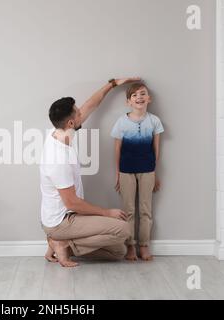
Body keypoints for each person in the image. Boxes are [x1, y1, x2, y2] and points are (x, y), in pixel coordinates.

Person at [40, 77, 139, 267]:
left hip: (69, 214)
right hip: (62, 221)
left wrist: (113, 84)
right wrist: (106, 212)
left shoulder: (61, 131)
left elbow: (90, 105)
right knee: (124, 230)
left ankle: (66, 246)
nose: (81, 113)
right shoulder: (57, 159)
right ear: (70, 122)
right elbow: (72, 203)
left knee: (119, 251)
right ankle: (60, 241)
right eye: (77, 113)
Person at [111, 82, 164, 261]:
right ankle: (130, 245)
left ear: (149, 99)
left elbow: (156, 149)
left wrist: (155, 172)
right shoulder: (121, 122)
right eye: (134, 95)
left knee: (145, 210)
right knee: (129, 210)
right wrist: (117, 173)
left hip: (147, 170)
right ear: (128, 102)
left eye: (142, 94)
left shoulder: (154, 121)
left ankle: (144, 245)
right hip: (126, 171)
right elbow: (117, 149)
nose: (139, 97)